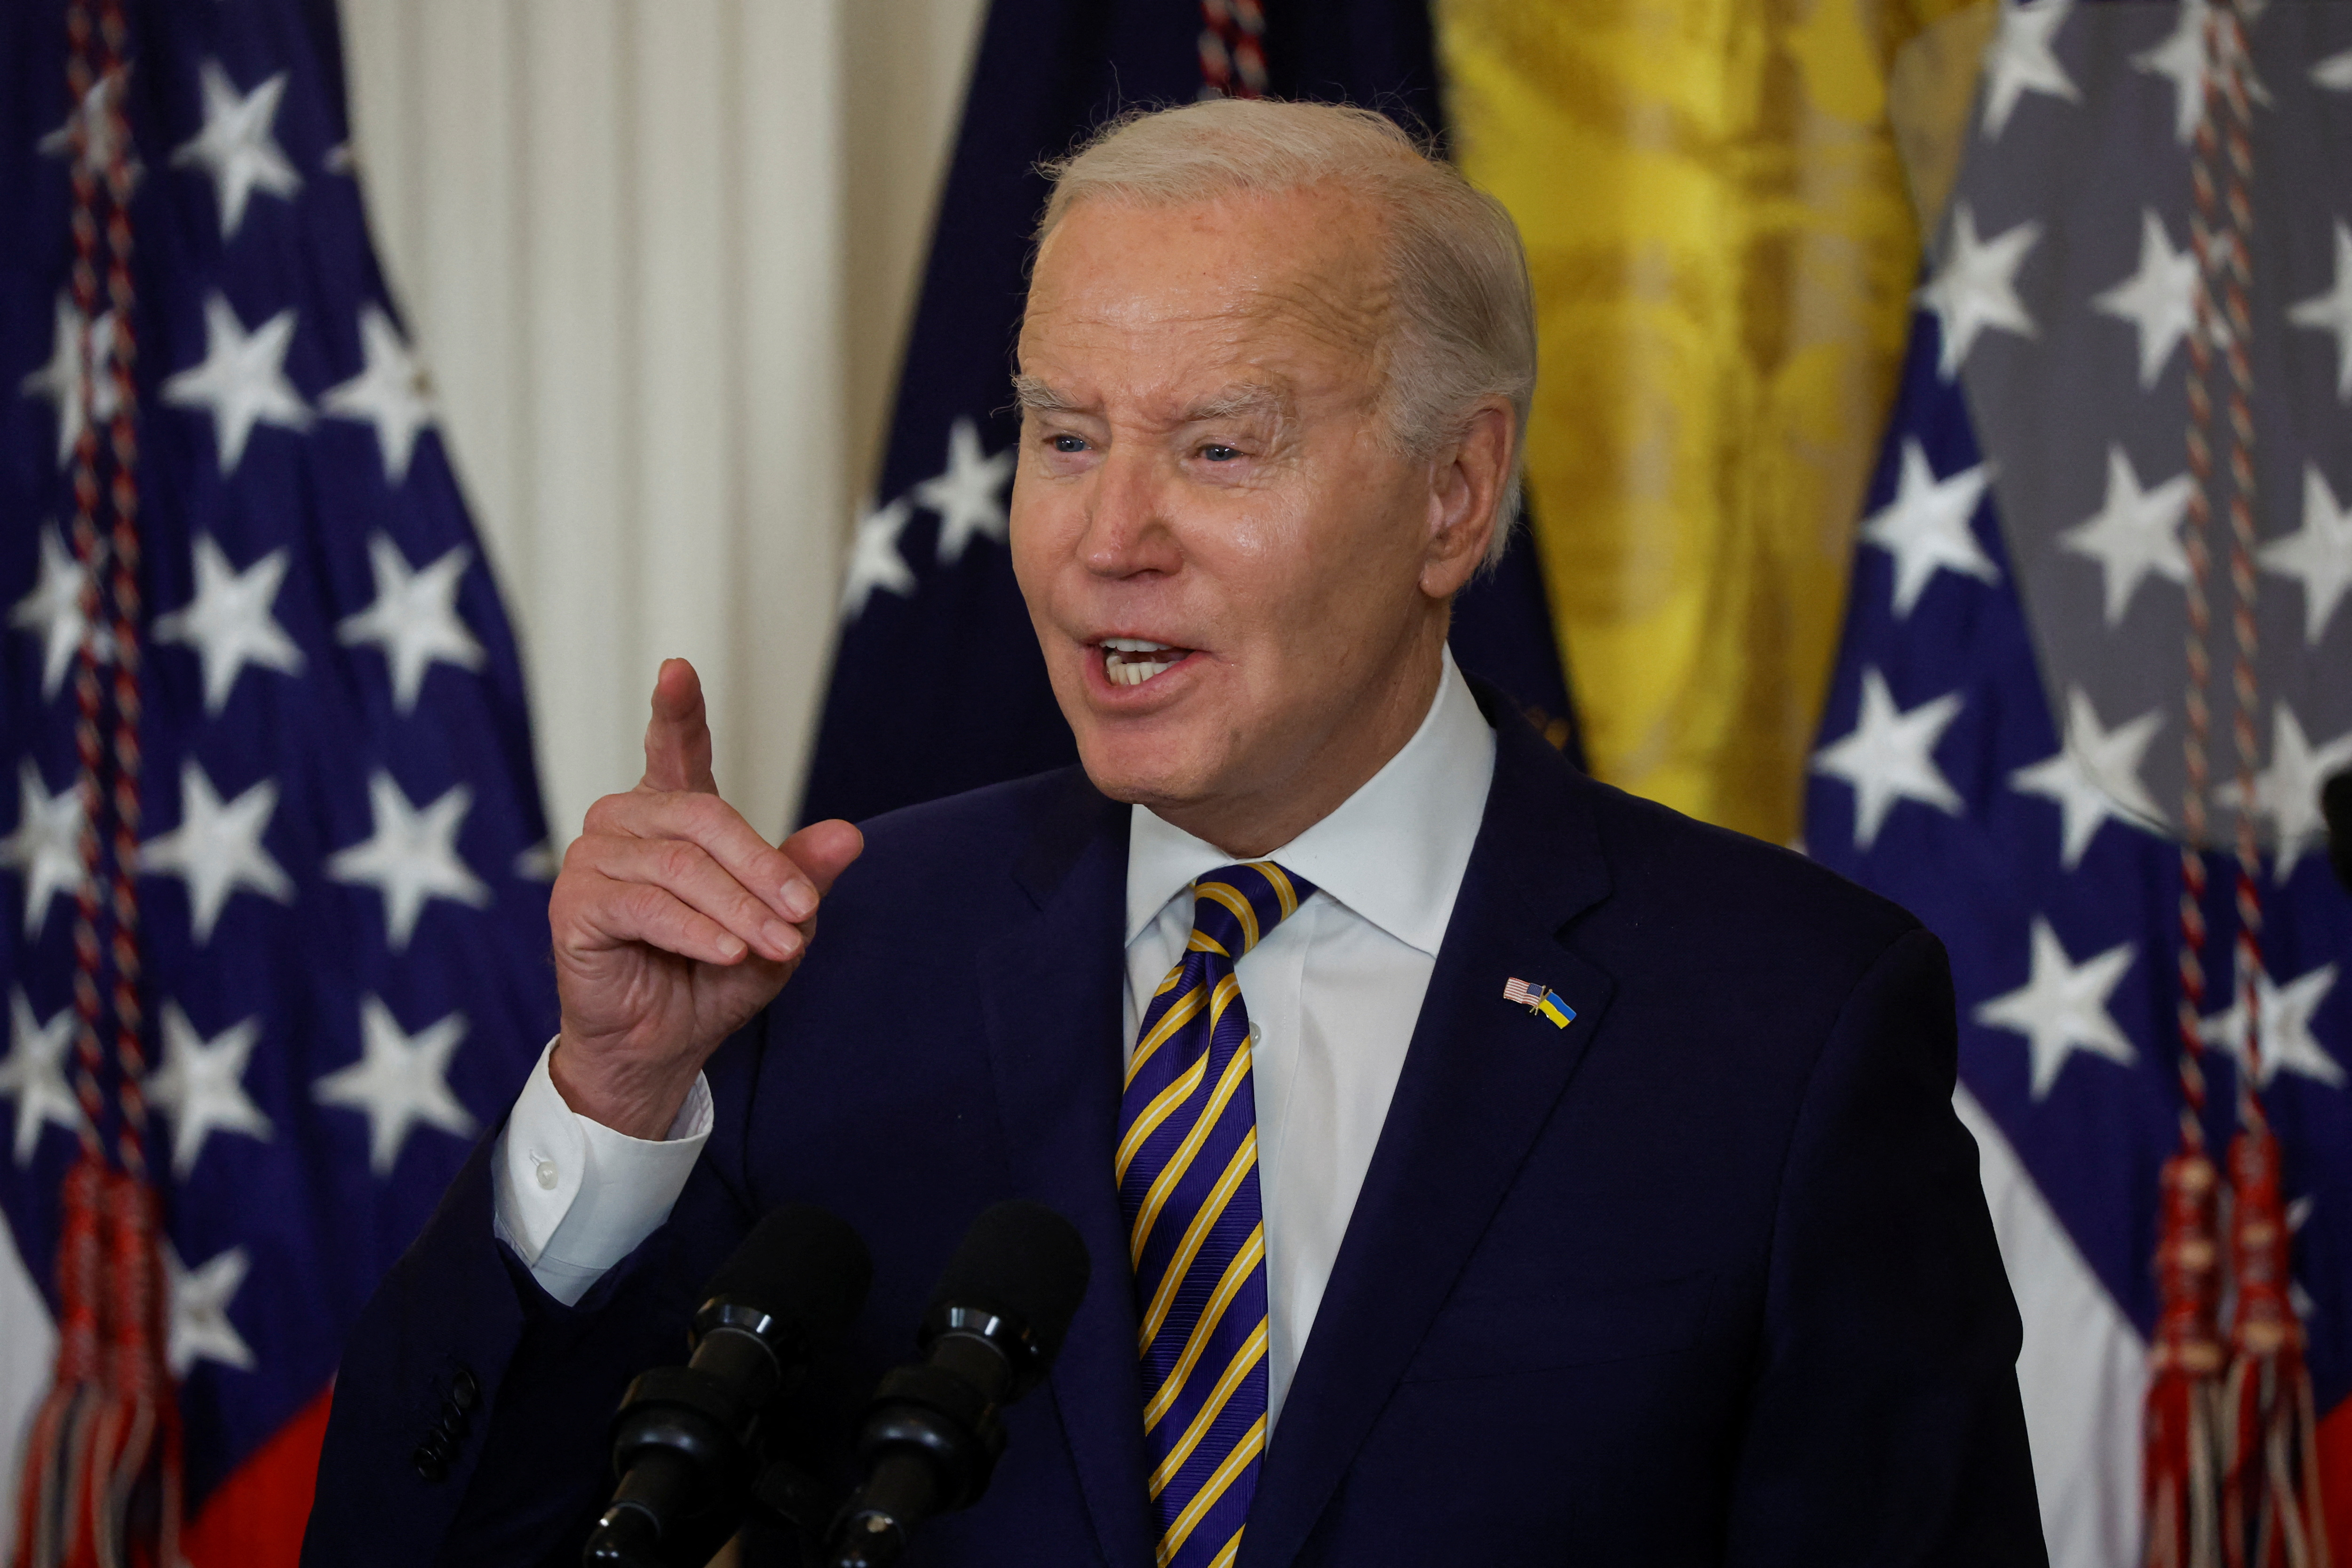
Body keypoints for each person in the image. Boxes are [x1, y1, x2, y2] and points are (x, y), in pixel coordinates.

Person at [304, 99, 2045, 1567]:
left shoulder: (1784, 1024)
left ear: (1456, 492)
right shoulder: (824, 971)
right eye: (1064, 438)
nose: (1106, 535)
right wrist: (609, 1109)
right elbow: (411, 1537)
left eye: (1217, 449)